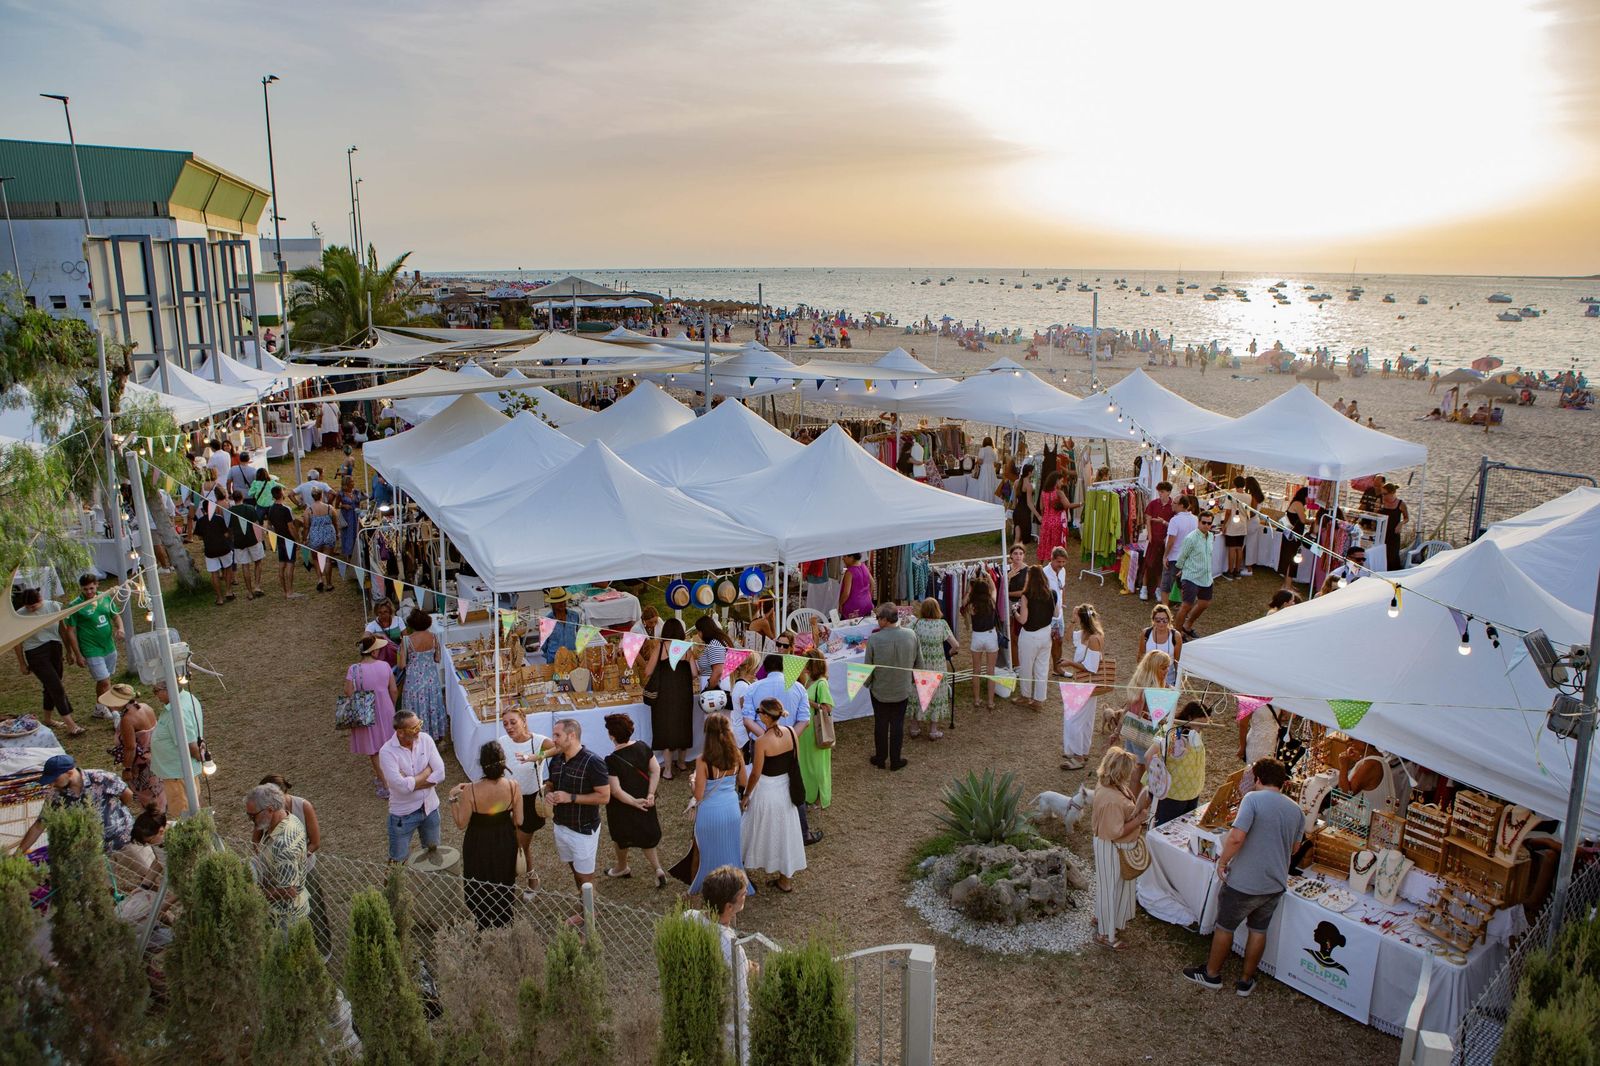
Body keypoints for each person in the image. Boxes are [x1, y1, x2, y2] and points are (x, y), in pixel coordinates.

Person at [1184, 758, 1303, 995]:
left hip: (1245, 881)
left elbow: (1237, 837)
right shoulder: (1296, 810)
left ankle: (1212, 974)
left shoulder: (1253, 800)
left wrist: (1223, 861)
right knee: (1258, 930)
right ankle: (1246, 980)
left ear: (1258, 779)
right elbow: (1295, 848)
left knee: (1225, 927)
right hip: (1274, 882)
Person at [450, 742, 522, 929]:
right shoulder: (513, 786)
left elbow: (460, 823)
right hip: (505, 840)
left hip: (478, 842)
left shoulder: (471, 791)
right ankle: (504, 921)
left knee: (479, 879)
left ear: (481, 764)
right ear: (503, 762)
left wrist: (452, 799)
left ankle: (482, 922)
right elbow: (519, 821)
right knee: (503, 879)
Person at [12, 754, 136, 856]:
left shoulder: (101, 778)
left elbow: (127, 795)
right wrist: (18, 853)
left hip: (123, 837)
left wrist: (114, 815)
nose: (53, 785)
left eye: (55, 780)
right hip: (94, 850)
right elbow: (39, 826)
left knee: (147, 876)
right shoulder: (56, 795)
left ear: (70, 773)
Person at [741, 701, 807, 893]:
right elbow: (795, 761)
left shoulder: (762, 742)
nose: (758, 715)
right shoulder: (792, 732)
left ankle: (744, 867)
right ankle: (785, 880)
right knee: (785, 832)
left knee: (755, 828)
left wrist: (746, 795)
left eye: (759, 712)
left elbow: (755, 774)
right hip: (787, 789)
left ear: (766, 717)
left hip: (767, 791)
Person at [543, 718, 612, 897]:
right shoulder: (556, 759)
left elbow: (604, 796)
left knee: (585, 876)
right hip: (560, 825)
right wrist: (548, 792)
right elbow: (550, 783)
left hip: (583, 830)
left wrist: (570, 797)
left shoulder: (593, 762)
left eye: (557, 735)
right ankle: (585, 898)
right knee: (575, 869)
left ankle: (589, 914)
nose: (554, 739)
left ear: (572, 736)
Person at [1091, 747, 1150, 949]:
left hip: (1109, 844)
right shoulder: (1113, 800)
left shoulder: (1106, 784)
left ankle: (1103, 918)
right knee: (1109, 888)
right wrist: (1140, 818)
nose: (1133, 772)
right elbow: (1116, 832)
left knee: (1109, 886)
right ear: (1121, 772)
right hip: (1111, 847)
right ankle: (1105, 935)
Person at [689, 713, 752, 898]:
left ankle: (698, 890)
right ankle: (733, 886)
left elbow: (699, 794)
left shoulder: (703, 760)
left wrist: (692, 781)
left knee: (701, 852)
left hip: (710, 811)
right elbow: (743, 782)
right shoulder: (736, 755)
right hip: (731, 809)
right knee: (731, 849)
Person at [601, 713, 664, 886]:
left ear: (612, 736)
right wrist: (650, 794)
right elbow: (656, 770)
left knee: (622, 837)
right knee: (646, 838)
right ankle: (657, 869)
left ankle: (622, 867)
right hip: (646, 801)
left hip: (624, 807)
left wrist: (633, 802)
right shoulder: (642, 746)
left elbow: (616, 790)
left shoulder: (611, 760)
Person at [497, 708, 554, 894]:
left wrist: (537, 757)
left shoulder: (538, 741)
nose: (509, 727)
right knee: (509, 843)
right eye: (505, 723)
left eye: (513, 722)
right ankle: (514, 882)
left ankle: (530, 880)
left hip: (529, 801)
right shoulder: (502, 742)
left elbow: (561, 747)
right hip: (507, 800)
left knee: (520, 845)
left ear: (524, 720)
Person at [14, 587, 84, 736]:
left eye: (34, 606)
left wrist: (69, 651)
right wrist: (22, 663)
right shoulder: (20, 615)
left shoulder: (53, 606)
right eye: (28, 607)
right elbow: (17, 641)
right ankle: (71, 724)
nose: (31, 610)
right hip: (35, 652)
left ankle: (48, 719)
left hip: (54, 648)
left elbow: (62, 630)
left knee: (50, 686)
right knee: (56, 686)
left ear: (40, 600)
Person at [379, 710, 445, 865]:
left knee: (434, 856)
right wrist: (427, 772)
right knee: (397, 862)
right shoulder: (386, 752)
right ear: (400, 732)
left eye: (419, 725)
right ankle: (393, 890)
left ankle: (431, 888)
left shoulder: (426, 740)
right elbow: (400, 787)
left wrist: (410, 782)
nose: (419, 731)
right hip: (402, 816)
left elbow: (441, 773)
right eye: (414, 728)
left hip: (430, 809)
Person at [245, 782, 311, 931]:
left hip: (286, 918)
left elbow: (289, 891)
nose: (250, 820)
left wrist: (254, 893)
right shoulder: (289, 818)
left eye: (252, 816)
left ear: (269, 810)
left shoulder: (282, 845)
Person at [863, 603, 920, 771]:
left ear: (886, 620)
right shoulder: (911, 635)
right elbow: (919, 662)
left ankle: (881, 758)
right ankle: (895, 760)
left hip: (880, 689)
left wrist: (868, 683)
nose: (876, 620)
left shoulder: (874, 639)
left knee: (880, 724)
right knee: (897, 724)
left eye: (878, 618)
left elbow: (868, 667)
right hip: (902, 689)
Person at [642, 616, 697, 778]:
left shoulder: (660, 647)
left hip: (664, 694)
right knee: (683, 725)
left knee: (665, 727)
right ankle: (681, 762)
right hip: (684, 694)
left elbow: (648, 671)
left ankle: (667, 770)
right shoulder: (687, 648)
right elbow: (694, 673)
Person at [62, 572, 124, 710]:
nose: (89, 592)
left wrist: (120, 628)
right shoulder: (76, 605)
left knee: (104, 681)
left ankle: (99, 708)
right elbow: (70, 631)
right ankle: (115, 714)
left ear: (97, 585)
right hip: (90, 648)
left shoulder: (105, 597)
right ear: (81, 588)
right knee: (105, 681)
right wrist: (77, 654)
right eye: (85, 589)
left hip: (108, 646)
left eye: (91, 588)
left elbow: (115, 616)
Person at [347, 633, 399, 797]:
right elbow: (394, 689)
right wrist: (392, 705)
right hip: (386, 708)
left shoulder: (353, 669)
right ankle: (393, 778)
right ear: (374, 651)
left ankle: (385, 783)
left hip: (366, 710)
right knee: (389, 745)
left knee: (374, 749)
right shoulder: (384, 666)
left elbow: (348, 692)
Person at [149, 677, 204, 817]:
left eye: (157, 691)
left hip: (178, 776)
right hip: (178, 774)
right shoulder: (185, 698)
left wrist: (201, 755)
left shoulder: (177, 713)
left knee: (183, 814)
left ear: (169, 689)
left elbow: (190, 746)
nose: (155, 695)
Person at [104, 683, 163, 812]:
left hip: (142, 764)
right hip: (156, 756)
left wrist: (127, 769)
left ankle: (155, 819)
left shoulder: (127, 719)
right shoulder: (145, 707)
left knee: (147, 798)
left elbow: (130, 747)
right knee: (158, 792)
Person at [1061, 604, 1104, 772]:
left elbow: (1092, 668)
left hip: (1086, 684)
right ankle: (1082, 752)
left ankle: (1078, 757)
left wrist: (1070, 663)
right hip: (1081, 683)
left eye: (1077, 616)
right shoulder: (1084, 634)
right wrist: (1072, 619)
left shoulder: (1094, 638)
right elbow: (1067, 638)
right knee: (1084, 720)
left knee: (1074, 720)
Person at [796, 651, 833, 836]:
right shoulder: (807, 681)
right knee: (806, 765)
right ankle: (809, 796)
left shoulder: (821, 684)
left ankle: (820, 798)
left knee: (817, 766)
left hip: (817, 731)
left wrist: (808, 701)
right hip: (806, 731)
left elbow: (827, 708)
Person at [397, 610, 447, 742]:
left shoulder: (407, 640)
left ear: (411, 624)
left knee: (415, 707)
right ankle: (435, 734)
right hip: (431, 680)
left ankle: (416, 733)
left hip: (414, 682)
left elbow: (401, 665)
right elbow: (437, 658)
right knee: (432, 706)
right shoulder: (434, 637)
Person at [1154, 703, 1209, 824]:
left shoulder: (1195, 732)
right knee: (1165, 827)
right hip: (1173, 794)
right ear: (1189, 717)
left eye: (1204, 724)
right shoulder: (1170, 730)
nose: (1201, 728)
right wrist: (1156, 784)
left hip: (1193, 792)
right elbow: (1150, 756)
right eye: (1200, 723)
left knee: (1185, 828)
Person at [909, 598, 955, 738]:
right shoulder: (942, 624)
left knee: (917, 693)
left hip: (920, 664)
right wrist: (950, 653)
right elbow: (956, 644)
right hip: (937, 665)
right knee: (936, 694)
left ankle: (914, 728)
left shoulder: (916, 623)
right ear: (937, 609)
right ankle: (933, 730)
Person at [1012, 565, 1056, 711]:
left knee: (1026, 666)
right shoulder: (1051, 593)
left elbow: (1023, 620)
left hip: (1030, 636)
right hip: (1046, 634)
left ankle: (1025, 696)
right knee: (1042, 668)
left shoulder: (1026, 596)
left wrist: (1015, 612)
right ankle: (1038, 700)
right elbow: (1056, 613)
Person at [1172, 508, 1217, 639]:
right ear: (1198, 522)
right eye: (1204, 522)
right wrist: (1179, 571)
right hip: (1191, 576)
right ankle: (1177, 633)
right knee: (1186, 605)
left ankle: (1188, 625)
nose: (1206, 525)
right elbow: (1182, 557)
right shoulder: (1191, 538)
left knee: (1204, 603)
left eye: (1209, 523)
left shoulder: (1211, 537)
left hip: (1206, 577)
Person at [960, 570, 999, 710]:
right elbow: (994, 588)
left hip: (977, 636)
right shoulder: (992, 602)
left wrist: (971, 588)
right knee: (990, 671)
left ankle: (977, 699)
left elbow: (963, 603)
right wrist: (989, 577)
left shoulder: (971, 605)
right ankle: (990, 701)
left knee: (976, 670)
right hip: (990, 635)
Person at [192, 498, 237, 604]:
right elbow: (226, 533)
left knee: (214, 573)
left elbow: (199, 537)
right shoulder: (220, 519)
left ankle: (219, 598)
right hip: (224, 547)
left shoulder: (200, 521)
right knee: (228, 567)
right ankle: (229, 591)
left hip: (210, 550)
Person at [262, 485, 303, 598]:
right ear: (281, 494)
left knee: (282, 565)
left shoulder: (270, 509)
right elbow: (291, 527)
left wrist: (272, 539)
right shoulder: (286, 509)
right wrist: (297, 540)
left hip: (279, 539)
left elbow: (269, 525)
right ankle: (290, 592)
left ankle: (285, 591)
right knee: (290, 565)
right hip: (288, 540)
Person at [1159, 494, 1198, 604]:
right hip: (1188, 557)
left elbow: (1171, 541)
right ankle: (1186, 610)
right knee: (1184, 586)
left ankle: (1165, 608)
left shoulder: (1175, 520)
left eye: (1174, 503)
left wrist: (1165, 556)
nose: (1172, 504)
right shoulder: (1195, 519)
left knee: (1166, 586)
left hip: (1175, 557)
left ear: (1181, 505)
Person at [227, 489, 266, 599]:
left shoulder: (230, 511)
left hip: (239, 542)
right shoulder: (250, 508)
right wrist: (260, 539)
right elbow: (257, 524)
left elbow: (230, 528)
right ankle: (257, 586)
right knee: (258, 562)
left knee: (245, 565)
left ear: (233, 499)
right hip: (252, 539)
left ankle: (249, 592)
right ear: (242, 497)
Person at [1140, 482, 1174, 602]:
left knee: (1161, 566)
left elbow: (1174, 524)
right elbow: (1148, 519)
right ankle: (1144, 588)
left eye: (1163, 491)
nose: (1160, 493)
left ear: (1169, 492)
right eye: (1159, 491)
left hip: (1164, 541)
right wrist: (1149, 534)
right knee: (1148, 564)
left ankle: (1158, 589)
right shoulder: (1153, 503)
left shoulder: (1173, 506)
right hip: (1152, 539)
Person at [304, 488, 340, 591]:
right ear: (321, 495)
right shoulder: (329, 508)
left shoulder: (308, 510)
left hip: (315, 536)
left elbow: (306, 526)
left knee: (315, 559)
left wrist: (304, 538)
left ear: (312, 496)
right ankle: (329, 583)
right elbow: (335, 522)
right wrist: (337, 533)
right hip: (329, 534)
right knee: (328, 559)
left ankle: (320, 579)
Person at [1142, 604, 1182, 686]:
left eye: (1164, 620)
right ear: (1153, 620)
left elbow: (1177, 661)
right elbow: (1140, 655)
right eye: (1158, 620)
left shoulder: (1176, 636)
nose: (1161, 623)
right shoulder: (1146, 633)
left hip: (1169, 677)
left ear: (1169, 620)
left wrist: (1178, 681)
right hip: (1149, 676)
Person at [693, 614, 735, 692]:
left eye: (698, 631)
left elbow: (718, 671)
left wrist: (708, 688)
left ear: (703, 631)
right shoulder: (717, 642)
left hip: (715, 689)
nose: (698, 634)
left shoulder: (714, 644)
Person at [538, 587, 580, 663]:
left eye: (564, 601)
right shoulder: (546, 621)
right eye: (559, 602)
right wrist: (551, 656)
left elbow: (577, 633)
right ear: (552, 604)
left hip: (572, 657)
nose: (562, 603)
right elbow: (544, 645)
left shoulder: (574, 616)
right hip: (554, 659)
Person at [1278, 487, 1309, 590]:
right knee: (1291, 559)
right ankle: (1287, 585)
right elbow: (1303, 520)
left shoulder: (1297, 503)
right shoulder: (1298, 504)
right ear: (1304, 496)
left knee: (1291, 559)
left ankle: (1288, 583)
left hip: (1292, 535)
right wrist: (1313, 521)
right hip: (1292, 536)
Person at [363, 597, 404, 669]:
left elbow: (406, 639)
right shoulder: (372, 625)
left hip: (398, 656)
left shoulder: (398, 620)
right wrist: (375, 635)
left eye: (385, 612)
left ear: (390, 611)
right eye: (380, 612)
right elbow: (365, 639)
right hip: (381, 660)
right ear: (376, 612)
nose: (383, 615)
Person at [1378, 482, 1409, 571]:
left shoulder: (1400, 504)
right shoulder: (1380, 502)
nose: (1383, 496)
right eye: (1382, 494)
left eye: (1385, 494)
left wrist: (1400, 524)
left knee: (1393, 556)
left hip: (1393, 533)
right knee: (1382, 555)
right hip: (1381, 532)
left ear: (1392, 493)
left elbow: (1406, 518)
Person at [336, 476, 366, 563]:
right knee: (347, 535)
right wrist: (344, 505)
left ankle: (356, 553)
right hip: (347, 516)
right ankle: (347, 555)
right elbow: (336, 505)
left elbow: (363, 499)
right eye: (352, 482)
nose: (353, 483)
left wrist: (362, 494)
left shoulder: (356, 492)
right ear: (347, 483)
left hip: (356, 515)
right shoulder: (341, 494)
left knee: (356, 533)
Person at [837, 552, 874, 620]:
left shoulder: (850, 572)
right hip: (867, 603)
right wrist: (868, 596)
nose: (842, 559)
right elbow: (873, 583)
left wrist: (840, 604)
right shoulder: (864, 566)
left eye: (845, 556)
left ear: (851, 557)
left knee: (849, 628)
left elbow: (846, 593)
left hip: (853, 607)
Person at [1011, 463, 1037, 546]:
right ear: (1029, 473)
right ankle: (1018, 554)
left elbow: (1014, 500)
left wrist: (1014, 510)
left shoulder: (1016, 482)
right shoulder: (1028, 486)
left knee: (1017, 536)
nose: (1034, 473)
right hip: (1025, 513)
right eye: (1033, 471)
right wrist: (1038, 515)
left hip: (1017, 511)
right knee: (1023, 538)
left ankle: (1013, 553)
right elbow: (1029, 503)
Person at [973, 436, 999, 502]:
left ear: (984, 442)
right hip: (992, 470)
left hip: (984, 469)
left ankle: (983, 500)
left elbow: (980, 461)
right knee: (991, 485)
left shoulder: (983, 450)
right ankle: (990, 501)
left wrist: (977, 461)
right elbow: (996, 462)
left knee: (984, 485)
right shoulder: (994, 450)